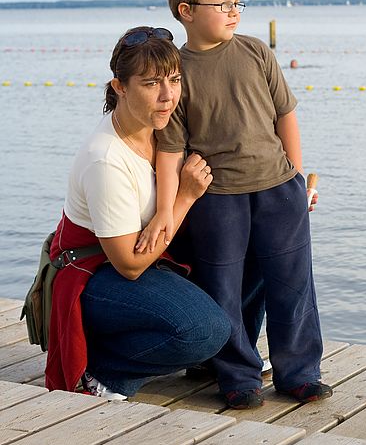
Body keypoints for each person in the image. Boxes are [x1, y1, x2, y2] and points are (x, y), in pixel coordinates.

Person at [138, 0, 331, 409]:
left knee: (292, 284)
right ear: (186, 11)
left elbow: (286, 114)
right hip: (217, 199)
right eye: (222, 4)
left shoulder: (255, 51)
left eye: (237, 3)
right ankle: (238, 376)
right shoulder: (177, 73)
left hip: (278, 188)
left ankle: (299, 372)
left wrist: (297, 179)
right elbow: (170, 148)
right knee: (223, 289)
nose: (234, 12)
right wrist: (167, 209)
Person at [44, 26, 231, 400]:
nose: (168, 96)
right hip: (95, 276)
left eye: (175, 80)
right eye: (151, 84)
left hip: (150, 257)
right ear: (120, 87)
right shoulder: (106, 159)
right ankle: (103, 371)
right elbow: (129, 263)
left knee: (257, 242)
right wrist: (185, 198)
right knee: (204, 329)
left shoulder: (161, 127)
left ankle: (222, 359)